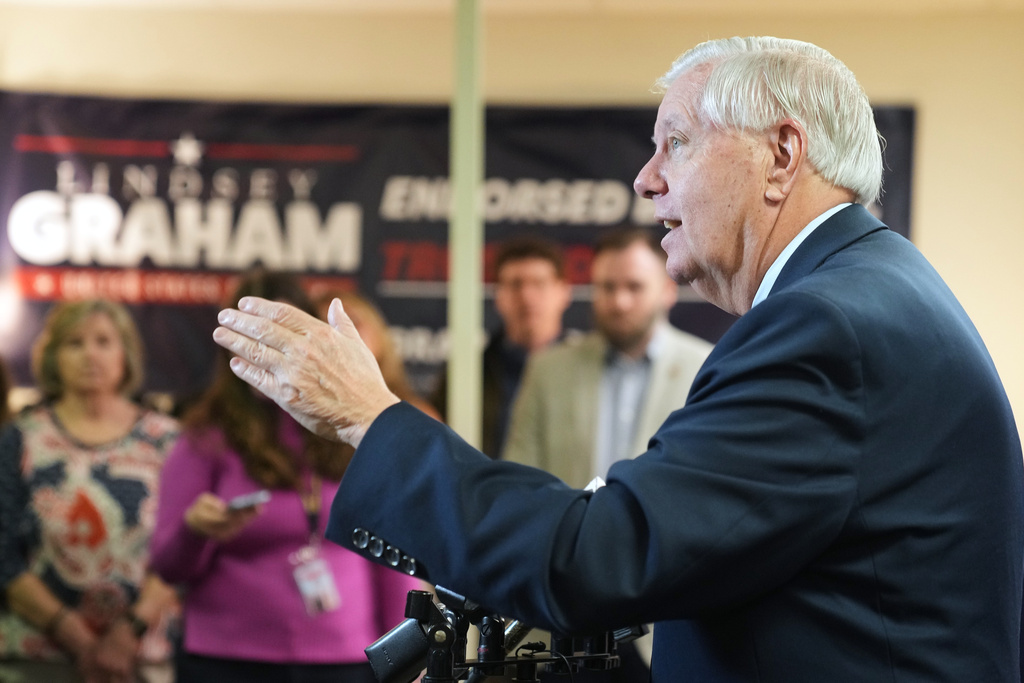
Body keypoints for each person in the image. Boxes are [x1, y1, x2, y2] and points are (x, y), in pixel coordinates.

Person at [212, 36, 1024, 683]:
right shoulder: (869, 287)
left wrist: (369, 418)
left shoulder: (824, 326)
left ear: (783, 153)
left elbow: (601, 558)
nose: (645, 179)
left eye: (676, 142)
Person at [148, 270, 419, 683]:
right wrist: (195, 530)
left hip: (346, 657)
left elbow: (392, 555)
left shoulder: (351, 428)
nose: (265, 352)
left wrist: (407, 657)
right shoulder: (205, 439)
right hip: (229, 658)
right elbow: (167, 567)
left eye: (278, 339)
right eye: (252, 339)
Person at [0, 299, 180, 683]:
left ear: (125, 354)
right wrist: (77, 638)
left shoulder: (167, 440)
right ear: (52, 356)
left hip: (139, 654)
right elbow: (4, 554)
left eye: (103, 341)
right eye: (75, 343)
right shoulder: (19, 437)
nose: (90, 355)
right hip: (39, 656)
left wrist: (126, 634)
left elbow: (182, 548)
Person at [504, 227, 712, 487]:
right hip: (570, 528)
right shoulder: (547, 370)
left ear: (667, 291)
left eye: (634, 287)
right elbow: (519, 479)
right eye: (608, 287)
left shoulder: (705, 368)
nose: (619, 301)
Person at [431, 236, 572, 457]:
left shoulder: (587, 371)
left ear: (564, 293)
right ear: (498, 295)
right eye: (516, 284)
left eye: (539, 283)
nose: (527, 296)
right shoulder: (466, 374)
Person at [315, 290, 440, 420]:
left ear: (377, 329)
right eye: (325, 325)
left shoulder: (419, 416)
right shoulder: (307, 414)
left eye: (351, 320)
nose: (339, 333)